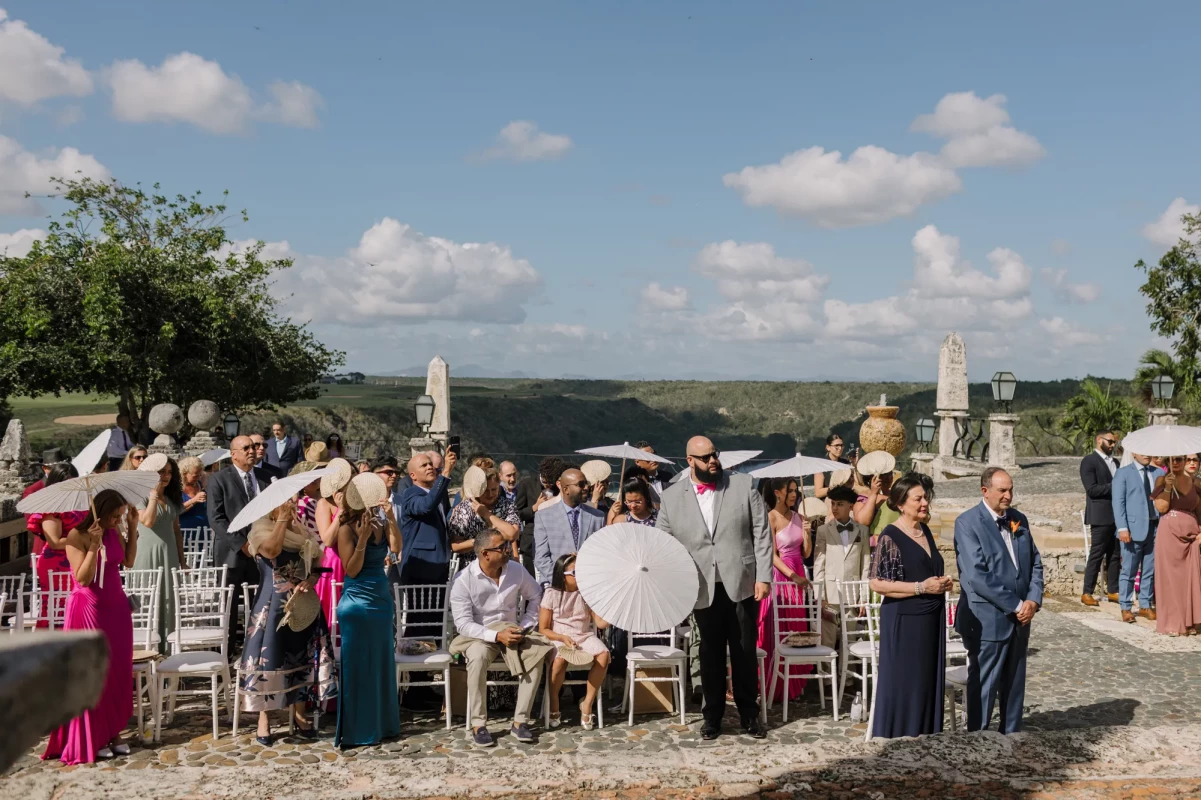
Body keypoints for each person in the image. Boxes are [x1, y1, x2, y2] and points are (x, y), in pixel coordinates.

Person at [656, 436, 772, 740]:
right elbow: (663, 545)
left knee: (744, 652)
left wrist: (764, 576)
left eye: (714, 455)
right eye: (705, 457)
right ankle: (712, 717)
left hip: (742, 581)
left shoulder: (744, 484)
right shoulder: (670, 498)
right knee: (709, 655)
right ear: (689, 461)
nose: (713, 462)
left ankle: (750, 714)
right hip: (700, 585)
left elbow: (761, 534)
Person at [42, 489, 138, 764]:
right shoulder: (76, 536)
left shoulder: (115, 530)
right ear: (102, 510)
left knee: (118, 668)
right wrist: (94, 547)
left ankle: (114, 731)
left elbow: (128, 561)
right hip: (89, 608)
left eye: (120, 516)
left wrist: (131, 527)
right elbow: (82, 579)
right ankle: (91, 735)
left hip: (117, 607)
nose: (117, 519)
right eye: (115, 515)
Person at [237, 500, 337, 744]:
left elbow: (317, 564)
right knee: (269, 659)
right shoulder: (260, 527)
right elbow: (270, 551)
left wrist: (311, 581)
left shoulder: (301, 529)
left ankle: (300, 713)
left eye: (293, 500)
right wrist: (281, 520)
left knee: (301, 655)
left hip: (302, 603)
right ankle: (264, 718)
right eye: (286, 501)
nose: (291, 504)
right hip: (272, 603)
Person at [955, 467, 1044, 734]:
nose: (1008, 495)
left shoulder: (1019, 520)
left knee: (1015, 685)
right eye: (1002, 490)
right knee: (984, 685)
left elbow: (1036, 562)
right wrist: (1017, 605)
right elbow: (976, 576)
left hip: (1021, 617)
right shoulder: (967, 523)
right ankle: (978, 743)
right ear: (985, 491)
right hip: (987, 619)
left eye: (1011, 489)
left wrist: (1033, 599)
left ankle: (1012, 739)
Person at [449, 528, 550, 748]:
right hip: (480, 635)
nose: (507, 550)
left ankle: (520, 721)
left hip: (513, 631)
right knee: (476, 659)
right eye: (502, 547)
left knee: (537, 655)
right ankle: (478, 724)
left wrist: (524, 627)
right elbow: (463, 624)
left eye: (506, 545)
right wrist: (496, 635)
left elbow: (535, 597)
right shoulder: (463, 580)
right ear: (485, 553)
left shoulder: (516, 569)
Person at [869, 476, 952, 738]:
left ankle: (926, 736)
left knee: (926, 681)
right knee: (904, 683)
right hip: (904, 622)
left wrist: (941, 583)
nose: (925, 502)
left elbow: (925, 571)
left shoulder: (925, 531)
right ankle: (898, 738)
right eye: (918, 499)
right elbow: (878, 583)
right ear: (901, 504)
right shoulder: (890, 536)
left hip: (930, 619)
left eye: (925, 497)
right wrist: (921, 588)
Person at [335, 472, 404, 748]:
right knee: (358, 665)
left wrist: (392, 519)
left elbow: (397, 548)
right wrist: (362, 539)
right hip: (356, 602)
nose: (375, 503)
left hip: (380, 598)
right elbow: (351, 569)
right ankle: (358, 730)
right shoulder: (345, 528)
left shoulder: (383, 520)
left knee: (381, 662)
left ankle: (383, 725)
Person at [208, 435, 272, 657]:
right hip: (232, 552)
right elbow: (216, 519)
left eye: (253, 447)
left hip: (262, 551)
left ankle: (256, 650)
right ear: (233, 454)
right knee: (229, 605)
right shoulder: (219, 479)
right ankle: (225, 653)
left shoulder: (266, 477)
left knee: (260, 601)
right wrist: (242, 544)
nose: (252, 451)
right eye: (246, 448)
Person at [755, 476, 812, 702]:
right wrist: (792, 576)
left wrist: (807, 533)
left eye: (795, 490)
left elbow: (806, 553)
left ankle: (793, 685)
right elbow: (770, 554)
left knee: (795, 630)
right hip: (781, 578)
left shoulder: (800, 517)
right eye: (790, 490)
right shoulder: (770, 518)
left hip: (799, 576)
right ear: (777, 492)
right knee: (776, 630)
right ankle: (771, 684)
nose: (794, 494)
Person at [539, 552, 611, 730]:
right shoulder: (551, 594)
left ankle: (587, 703)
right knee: (559, 659)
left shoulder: (586, 594)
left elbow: (600, 623)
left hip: (583, 635)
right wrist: (561, 637)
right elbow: (543, 629)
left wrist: (613, 609)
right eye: (575, 573)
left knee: (604, 654)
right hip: (558, 635)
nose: (579, 576)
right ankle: (554, 702)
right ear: (563, 576)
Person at [133, 454, 185, 651]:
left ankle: (167, 651)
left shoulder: (171, 496)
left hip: (170, 554)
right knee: (147, 603)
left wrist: (182, 559)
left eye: (170, 472)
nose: (166, 476)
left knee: (169, 602)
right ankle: (146, 651)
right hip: (148, 555)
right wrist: (153, 494)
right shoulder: (140, 496)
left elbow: (176, 530)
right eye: (162, 471)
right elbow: (147, 521)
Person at [26, 462, 86, 628]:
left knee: (79, 607)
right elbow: (54, 542)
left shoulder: (80, 504)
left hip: (79, 560)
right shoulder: (50, 507)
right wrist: (85, 540)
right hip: (57, 564)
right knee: (57, 611)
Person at [813, 484, 871, 649]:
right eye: (833, 504)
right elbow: (819, 565)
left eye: (840, 504)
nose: (835, 508)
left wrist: (863, 597)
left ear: (850, 505)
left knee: (850, 641)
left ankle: (848, 675)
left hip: (852, 592)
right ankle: (826, 674)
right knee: (827, 640)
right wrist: (820, 596)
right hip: (829, 595)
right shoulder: (823, 530)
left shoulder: (862, 531)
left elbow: (866, 566)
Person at [1150, 457, 1201, 636]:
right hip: (1170, 536)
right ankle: (1172, 623)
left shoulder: (1197, 483)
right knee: (1171, 580)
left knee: (1189, 580)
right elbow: (1162, 508)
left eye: (1193, 459)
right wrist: (1168, 487)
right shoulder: (1162, 479)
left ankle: (1189, 622)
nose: (1184, 462)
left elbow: (1199, 511)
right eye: (1178, 459)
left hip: (1192, 539)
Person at [1112, 452, 1163, 623]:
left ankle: (1145, 605)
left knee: (1149, 569)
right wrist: (1122, 528)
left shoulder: (1159, 473)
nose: (1148, 455)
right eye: (1143, 452)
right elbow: (1118, 502)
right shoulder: (1124, 473)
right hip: (1132, 530)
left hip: (1155, 527)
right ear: (1134, 453)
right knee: (1129, 569)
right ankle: (1125, 606)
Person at [534, 467, 605, 587]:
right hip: (556, 586)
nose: (586, 488)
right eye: (580, 485)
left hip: (587, 585)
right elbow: (541, 558)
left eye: (586, 483)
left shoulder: (597, 517)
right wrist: (563, 580)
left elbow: (601, 554)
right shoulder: (544, 516)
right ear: (566, 489)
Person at [398, 450, 458, 584]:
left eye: (430, 464)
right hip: (421, 567)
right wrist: (446, 471)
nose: (429, 467)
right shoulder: (410, 494)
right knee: (421, 606)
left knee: (439, 605)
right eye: (423, 465)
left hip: (440, 565)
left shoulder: (438, 494)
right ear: (413, 475)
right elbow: (426, 506)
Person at [448, 465, 521, 566]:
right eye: (486, 490)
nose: (490, 494)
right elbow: (454, 545)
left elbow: (512, 534)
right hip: (472, 566)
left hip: (503, 566)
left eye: (494, 489)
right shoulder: (464, 508)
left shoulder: (507, 506)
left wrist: (486, 514)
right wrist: (478, 542)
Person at [1080, 430, 1121, 606]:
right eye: (1110, 441)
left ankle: (1113, 590)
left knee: (1115, 554)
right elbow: (1092, 489)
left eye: (1114, 442)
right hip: (1100, 515)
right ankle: (1087, 592)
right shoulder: (1089, 461)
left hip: (1116, 516)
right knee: (1097, 554)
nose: (1112, 445)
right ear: (1099, 440)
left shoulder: (1116, 462)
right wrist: (1115, 486)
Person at [313, 458, 353, 618]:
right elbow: (328, 539)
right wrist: (341, 511)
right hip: (334, 562)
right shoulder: (324, 503)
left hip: (353, 559)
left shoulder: (356, 503)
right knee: (332, 611)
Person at [514, 457, 565, 577]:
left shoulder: (559, 488)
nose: (549, 485)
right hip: (530, 543)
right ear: (541, 474)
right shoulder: (526, 484)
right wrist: (534, 507)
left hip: (555, 541)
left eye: (552, 483)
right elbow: (516, 515)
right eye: (547, 482)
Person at [853, 451, 898, 546]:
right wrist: (874, 494)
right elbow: (862, 521)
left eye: (890, 474)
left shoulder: (896, 496)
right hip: (875, 546)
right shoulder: (863, 498)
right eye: (884, 475)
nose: (889, 478)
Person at [812, 434, 851, 500]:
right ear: (828, 447)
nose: (840, 448)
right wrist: (836, 487)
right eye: (836, 446)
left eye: (841, 445)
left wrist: (855, 464)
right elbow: (818, 492)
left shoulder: (845, 463)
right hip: (829, 501)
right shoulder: (821, 465)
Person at [178, 456, 208, 530]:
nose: (198, 478)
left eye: (199, 475)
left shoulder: (201, 484)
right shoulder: (176, 488)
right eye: (195, 476)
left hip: (204, 530)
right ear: (184, 473)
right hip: (185, 530)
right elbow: (174, 512)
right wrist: (194, 500)